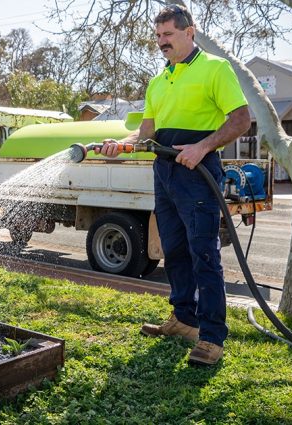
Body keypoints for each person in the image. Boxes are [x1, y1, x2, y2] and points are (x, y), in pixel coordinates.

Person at [100, 5, 250, 365]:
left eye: (168, 35)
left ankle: (212, 337)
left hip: (198, 173)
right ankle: (184, 319)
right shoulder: (157, 82)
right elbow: (147, 132)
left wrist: (202, 147)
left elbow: (241, 119)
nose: (161, 42)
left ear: (189, 32)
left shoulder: (215, 69)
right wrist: (121, 146)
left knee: (204, 255)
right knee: (174, 250)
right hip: (164, 172)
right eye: (158, 36)